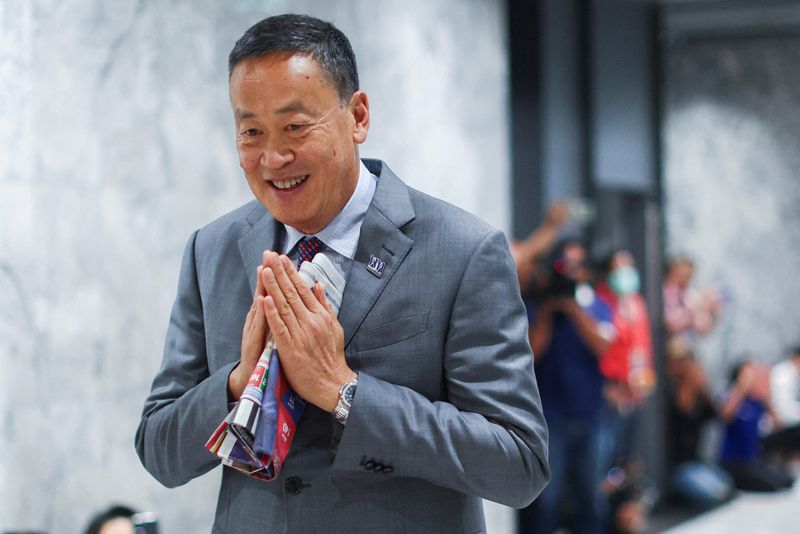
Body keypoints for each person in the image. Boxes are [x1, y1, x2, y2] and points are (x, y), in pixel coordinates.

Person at [135, 14, 549, 534]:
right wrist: (239, 384)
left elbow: (519, 465)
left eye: (294, 127)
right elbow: (158, 450)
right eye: (251, 133)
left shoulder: (464, 251)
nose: (273, 157)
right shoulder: (212, 250)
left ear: (357, 116)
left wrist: (343, 390)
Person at [519, 241, 614, 534]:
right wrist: (549, 311)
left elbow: (602, 346)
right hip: (550, 416)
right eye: (564, 265)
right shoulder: (537, 307)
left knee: (591, 494)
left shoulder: (595, 305)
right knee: (547, 497)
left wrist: (573, 310)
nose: (569, 272)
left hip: (591, 412)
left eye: (575, 266)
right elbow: (531, 353)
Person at [665, 343, 734, 508]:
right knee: (713, 495)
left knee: (727, 488)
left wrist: (703, 386)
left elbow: (715, 415)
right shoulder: (671, 390)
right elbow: (682, 411)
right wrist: (690, 381)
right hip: (680, 468)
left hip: (698, 464)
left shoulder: (697, 396)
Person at [718, 361, 793, 492]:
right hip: (733, 461)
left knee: (786, 480)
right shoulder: (730, 395)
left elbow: (778, 424)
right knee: (771, 486)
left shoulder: (756, 400)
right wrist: (741, 388)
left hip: (752, 459)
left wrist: (765, 394)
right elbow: (726, 415)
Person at [662, 256, 722, 349]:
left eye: (688, 276)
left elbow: (703, 327)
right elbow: (671, 325)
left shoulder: (689, 294)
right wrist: (696, 308)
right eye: (681, 275)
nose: (684, 280)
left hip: (687, 349)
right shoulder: (664, 293)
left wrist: (712, 312)